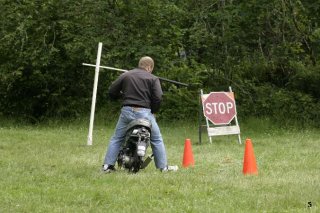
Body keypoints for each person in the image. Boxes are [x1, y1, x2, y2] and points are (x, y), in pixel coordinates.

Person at [102, 56, 178, 173]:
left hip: (126, 112)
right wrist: (154, 111)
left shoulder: (126, 75)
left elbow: (111, 91)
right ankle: (163, 167)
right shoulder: (153, 78)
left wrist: (122, 97)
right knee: (156, 139)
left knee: (117, 138)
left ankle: (107, 166)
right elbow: (158, 97)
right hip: (145, 113)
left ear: (140, 64)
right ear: (149, 67)